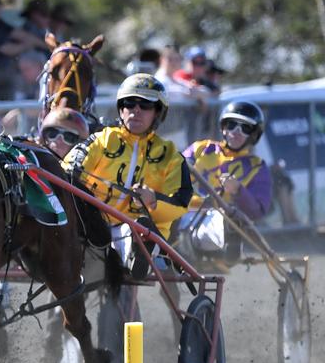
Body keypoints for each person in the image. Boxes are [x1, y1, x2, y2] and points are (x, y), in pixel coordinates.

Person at [65, 73, 192, 278]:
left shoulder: (171, 156)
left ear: (158, 112)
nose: (136, 110)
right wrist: (72, 171)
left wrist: (153, 201)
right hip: (90, 225)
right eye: (129, 104)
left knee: (136, 230)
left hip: (135, 229)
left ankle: (140, 253)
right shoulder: (101, 140)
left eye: (145, 105)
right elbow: (69, 168)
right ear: (121, 110)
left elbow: (180, 204)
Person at [177, 101, 272, 262]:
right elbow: (174, 173)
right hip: (184, 211)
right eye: (231, 125)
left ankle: (224, 245)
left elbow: (257, 211)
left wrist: (239, 191)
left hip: (218, 220)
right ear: (223, 127)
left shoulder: (257, 167)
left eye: (245, 128)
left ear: (254, 134)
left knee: (223, 222)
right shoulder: (201, 148)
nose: (236, 131)